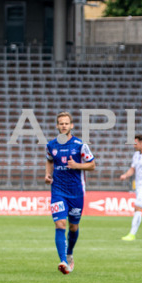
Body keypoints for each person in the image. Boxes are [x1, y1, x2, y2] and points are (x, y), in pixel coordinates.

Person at [44, 112, 95, 274]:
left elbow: (92, 164)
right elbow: (49, 160)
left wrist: (77, 166)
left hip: (76, 192)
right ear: (57, 126)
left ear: (71, 125)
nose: (64, 126)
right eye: (61, 123)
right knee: (60, 224)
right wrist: (47, 174)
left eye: (66, 123)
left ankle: (69, 253)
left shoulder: (80, 145)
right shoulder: (51, 145)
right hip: (58, 190)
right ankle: (63, 261)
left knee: (73, 227)